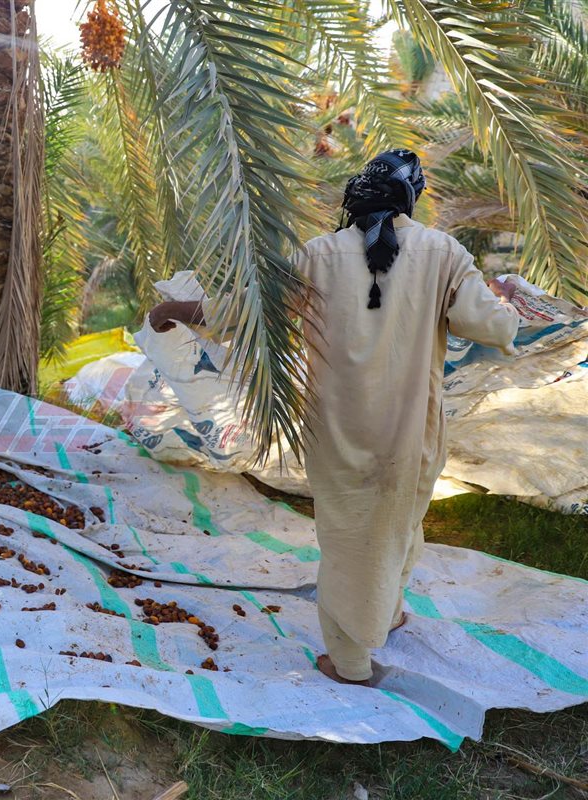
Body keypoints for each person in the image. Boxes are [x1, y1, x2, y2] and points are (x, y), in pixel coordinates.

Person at [149, 149, 520, 685]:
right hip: (411, 432)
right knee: (397, 522)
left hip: (337, 431)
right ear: (410, 199)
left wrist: (174, 310)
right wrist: (508, 302)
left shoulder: (317, 255)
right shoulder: (443, 253)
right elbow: (488, 326)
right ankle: (376, 628)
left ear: (357, 197)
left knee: (350, 542)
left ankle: (351, 659)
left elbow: (245, 313)